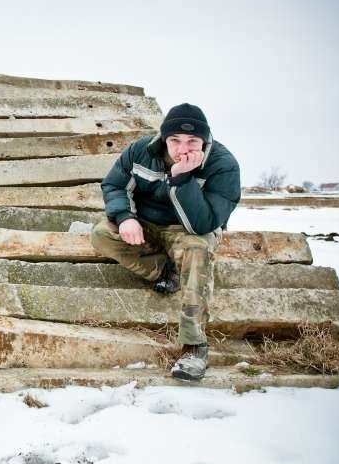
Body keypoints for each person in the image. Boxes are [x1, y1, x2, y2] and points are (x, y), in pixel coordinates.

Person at [90, 103, 240, 381]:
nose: (183, 148)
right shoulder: (140, 151)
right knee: (101, 233)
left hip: (191, 229)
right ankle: (164, 270)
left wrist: (182, 179)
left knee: (197, 249)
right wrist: (125, 217)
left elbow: (202, 224)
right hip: (148, 224)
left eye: (192, 141)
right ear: (164, 138)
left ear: (205, 140)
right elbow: (114, 185)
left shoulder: (223, 165)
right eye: (175, 140)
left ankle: (194, 347)